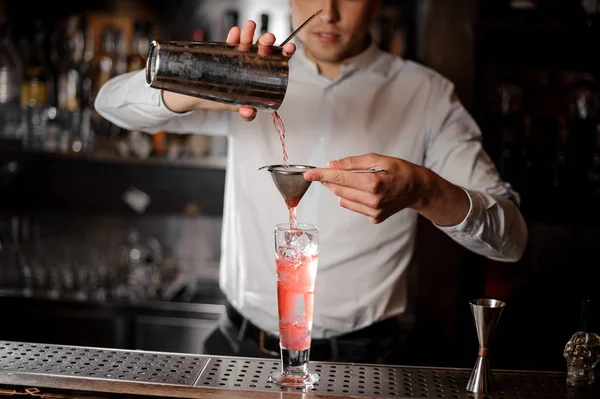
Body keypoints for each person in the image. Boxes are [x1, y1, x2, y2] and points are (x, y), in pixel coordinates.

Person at [94, 0, 528, 365]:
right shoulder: (253, 74)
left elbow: (511, 240)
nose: (330, 13)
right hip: (239, 348)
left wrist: (426, 192)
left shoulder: (427, 96)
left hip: (366, 361)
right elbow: (110, 103)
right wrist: (202, 80)